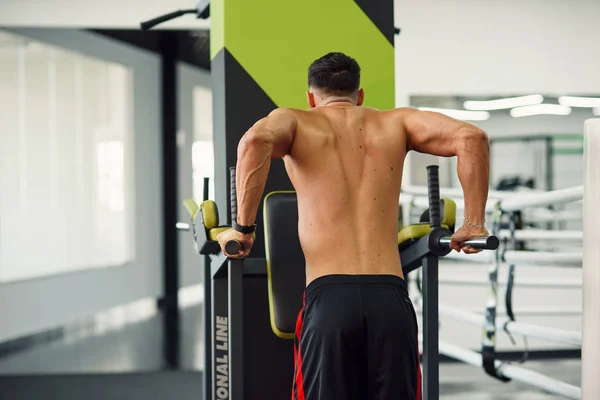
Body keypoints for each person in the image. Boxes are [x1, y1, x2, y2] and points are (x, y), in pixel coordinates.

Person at [217, 52, 490, 400]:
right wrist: (473, 224)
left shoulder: (296, 120)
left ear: (311, 97)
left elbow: (254, 142)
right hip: (390, 299)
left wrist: (243, 229)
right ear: (359, 95)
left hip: (329, 300)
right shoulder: (397, 122)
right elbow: (472, 138)